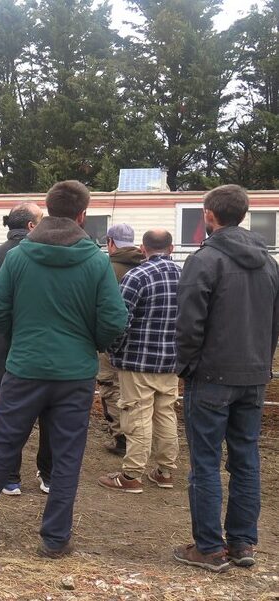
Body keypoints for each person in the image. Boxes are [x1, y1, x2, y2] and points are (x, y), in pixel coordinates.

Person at [0, 180, 127, 558]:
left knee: (2, 444)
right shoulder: (95, 261)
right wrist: (91, 343)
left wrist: (22, 338)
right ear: (82, 214)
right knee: (68, 454)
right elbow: (114, 319)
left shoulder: (19, 257)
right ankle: (55, 538)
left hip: (24, 368)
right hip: (74, 374)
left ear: (47, 209)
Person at [173, 185, 279, 572]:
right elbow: (274, 323)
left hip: (212, 375)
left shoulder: (205, 261)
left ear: (209, 216)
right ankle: (242, 541)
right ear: (244, 213)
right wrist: (261, 364)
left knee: (205, 461)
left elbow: (188, 324)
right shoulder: (269, 264)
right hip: (252, 375)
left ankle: (209, 547)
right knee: (246, 458)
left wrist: (187, 366)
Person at [0, 202, 51, 496]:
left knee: (10, 413)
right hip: (37, 346)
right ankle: (48, 475)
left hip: (0, 346)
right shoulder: (41, 256)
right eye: (40, 220)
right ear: (30, 226)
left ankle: (11, 478)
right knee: (48, 412)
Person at [98, 229, 181, 493]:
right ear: (172, 247)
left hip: (138, 360)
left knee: (137, 414)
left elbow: (121, 320)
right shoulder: (185, 276)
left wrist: (114, 350)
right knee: (166, 413)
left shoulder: (137, 275)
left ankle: (132, 475)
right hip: (171, 361)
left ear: (143, 249)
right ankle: (165, 471)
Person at [98, 224, 145, 456]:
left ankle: (121, 438)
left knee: (110, 386)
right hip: (143, 343)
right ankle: (141, 436)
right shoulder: (146, 265)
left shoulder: (106, 268)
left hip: (112, 338)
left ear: (110, 242)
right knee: (138, 391)